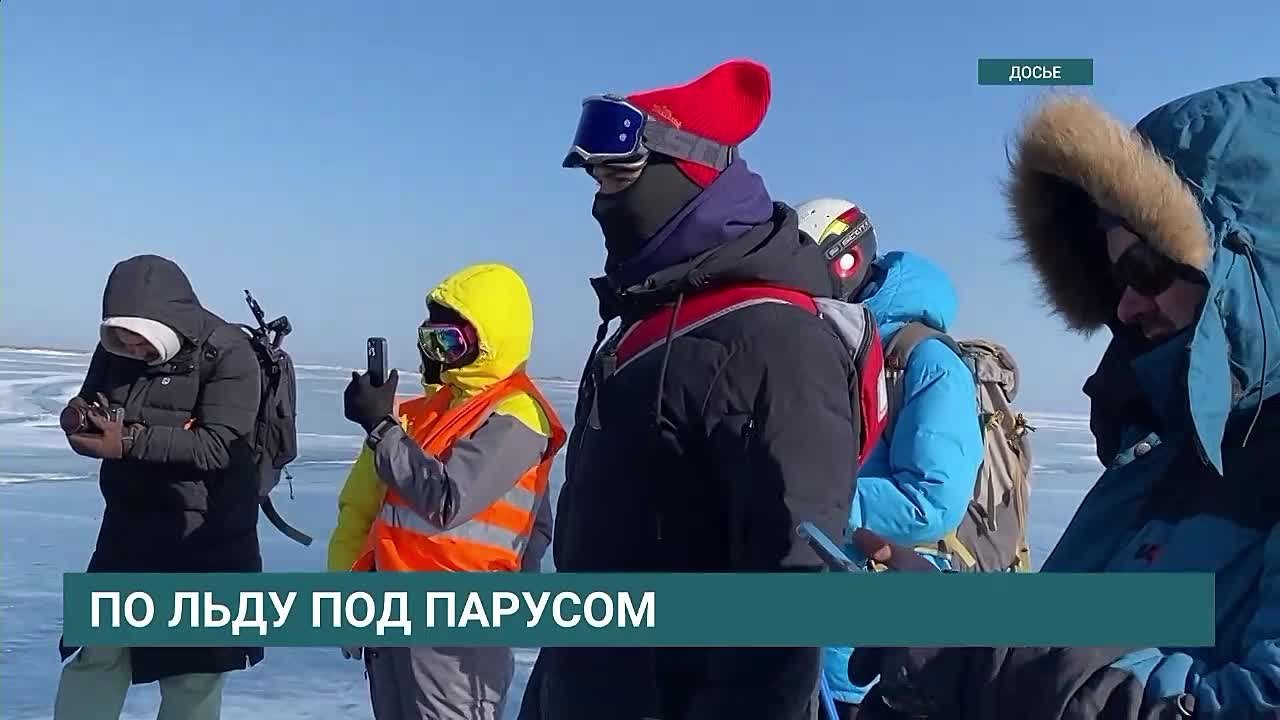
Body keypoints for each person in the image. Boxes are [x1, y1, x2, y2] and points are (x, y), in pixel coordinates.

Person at [849, 76, 1280, 720]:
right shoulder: (1164, 454)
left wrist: (974, 656)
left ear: (1250, 262)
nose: (1129, 305)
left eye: (1147, 269)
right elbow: (1102, 627)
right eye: (1115, 278)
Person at [519, 59, 862, 720]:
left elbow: (785, 613)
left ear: (686, 174)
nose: (600, 201)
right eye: (594, 179)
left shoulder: (777, 343)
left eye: (618, 177)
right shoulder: (646, 322)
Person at [329, 261, 567, 720]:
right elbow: (372, 507)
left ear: (489, 341)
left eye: (450, 341)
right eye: (429, 340)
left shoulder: (517, 414)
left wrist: (380, 426)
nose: (438, 353)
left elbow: (448, 500)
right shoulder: (437, 409)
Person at [52, 254, 265, 720]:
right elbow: (96, 398)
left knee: (194, 672)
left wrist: (129, 440)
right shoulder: (116, 348)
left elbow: (218, 447)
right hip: (127, 533)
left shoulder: (230, 354)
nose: (134, 354)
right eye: (123, 344)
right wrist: (78, 415)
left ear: (167, 324)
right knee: (97, 652)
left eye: (143, 346)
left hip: (206, 537)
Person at [794, 198, 985, 719]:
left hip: (872, 643)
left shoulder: (927, 362)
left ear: (846, 263)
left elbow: (933, 499)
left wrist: (817, 503)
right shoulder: (834, 348)